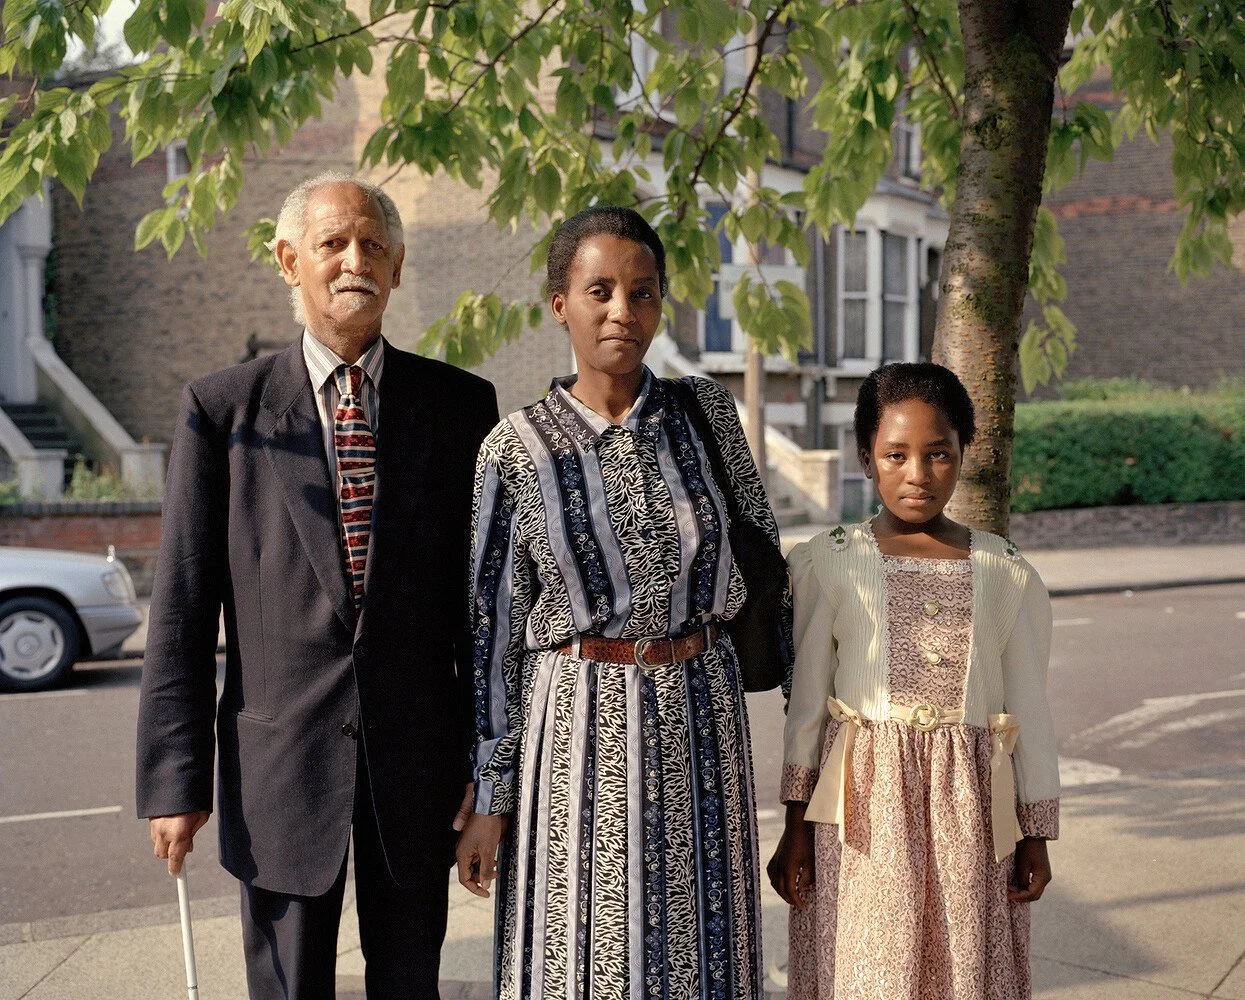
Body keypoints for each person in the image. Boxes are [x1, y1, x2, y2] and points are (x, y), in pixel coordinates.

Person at [135, 172, 499, 1000]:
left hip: (418, 773)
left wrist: (491, 772)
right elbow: (184, 612)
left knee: (410, 985)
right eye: (333, 242)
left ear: (399, 267)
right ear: (288, 259)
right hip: (279, 775)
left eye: (373, 245)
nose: (353, 261)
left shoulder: (460, 408)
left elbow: (485, 616)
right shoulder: (221, 413)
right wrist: (174, 782)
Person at [455, 206, 790, 999]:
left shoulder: (705, 415)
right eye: (598, 290)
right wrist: (489, 799)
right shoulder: (515, 449)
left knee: (705, 953)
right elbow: (492, 639)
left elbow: (765, 567)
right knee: (585, 958)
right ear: (558, 303)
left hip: (703, 721)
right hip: (576, 729)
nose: (621, 311)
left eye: (642, 293)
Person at [768, 362, 1059, 1000]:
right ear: (867, 459)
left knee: (963, 972)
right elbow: (809, 707)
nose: (918, 475)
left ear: (963, 455)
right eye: (896, 455)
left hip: (972, 818)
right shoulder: (829, 562)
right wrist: (794, 827)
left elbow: (1029, 711)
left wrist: (1034, 830)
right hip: (859, 822)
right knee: (868, 971)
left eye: (938, 455)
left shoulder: (1006, 573)